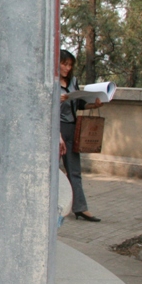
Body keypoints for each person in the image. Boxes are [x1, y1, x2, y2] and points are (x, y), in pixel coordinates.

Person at [59, 49, 103, 222]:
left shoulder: (73, 82)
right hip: (57, 128)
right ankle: (51, 207)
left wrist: (94, 105)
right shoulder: (51, 81)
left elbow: (78, 104)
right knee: (53, 171)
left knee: (74, 170)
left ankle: (81, 208)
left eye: (70, 65)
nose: (67, 68)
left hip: (72, 127)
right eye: (64, 64)